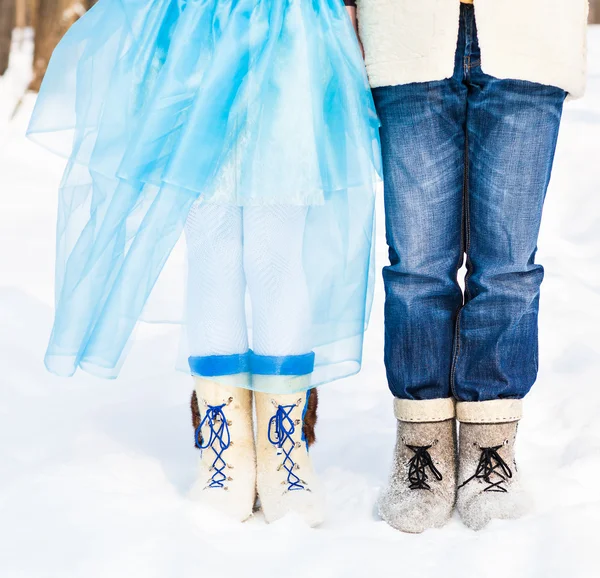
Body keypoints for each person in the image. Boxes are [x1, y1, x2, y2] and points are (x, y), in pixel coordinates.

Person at [27, 0, 381, 526]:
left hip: (292, 32)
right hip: (193, 30)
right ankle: (226, 449)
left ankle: (285, 449)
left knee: (276, 247)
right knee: (212, 247)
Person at [347, 0, 589, 531]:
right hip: (404, 27)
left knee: (506, 267)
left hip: (532, 30)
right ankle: (421, 444)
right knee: (416, 265)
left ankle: (490, 447)